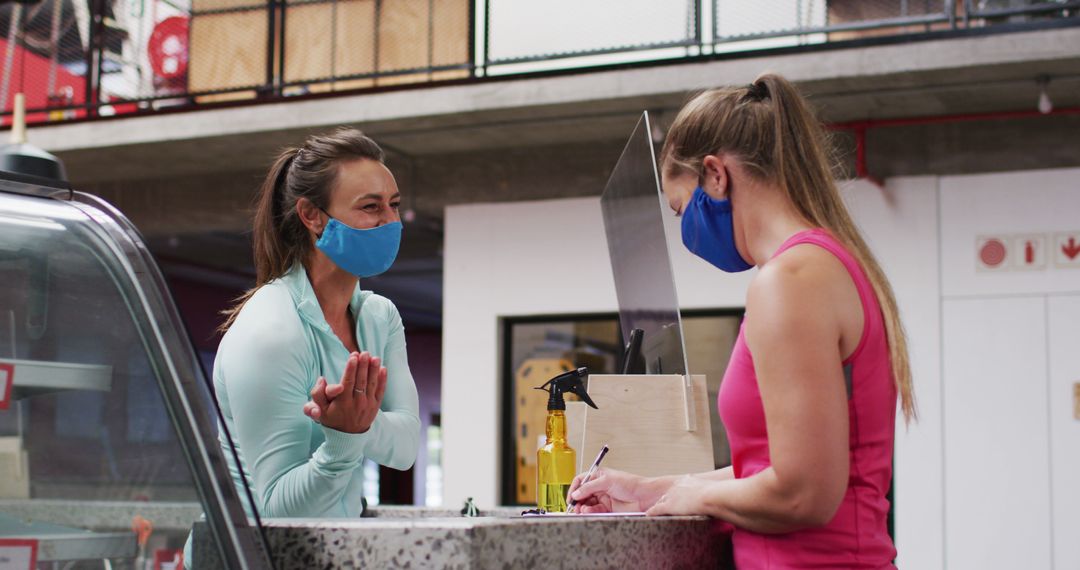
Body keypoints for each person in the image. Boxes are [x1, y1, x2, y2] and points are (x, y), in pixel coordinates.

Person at [568, 74, 915, 569]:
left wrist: (697, 496)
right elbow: (770, 469)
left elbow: (804, 494)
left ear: (715, 175)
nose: (687, 232)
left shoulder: (790, 282)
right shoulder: (819, 267)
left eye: (681, 209)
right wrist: (651, 490)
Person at [185, 128, 421, 566]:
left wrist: (358, 425)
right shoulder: (272, 332)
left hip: (324, 551)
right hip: (246, 556)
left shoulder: (378, 316)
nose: (390, 222)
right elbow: (275, 513)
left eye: (394, 204)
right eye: (370, 207)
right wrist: (344, 439)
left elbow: (406, 449)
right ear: (312, 215)